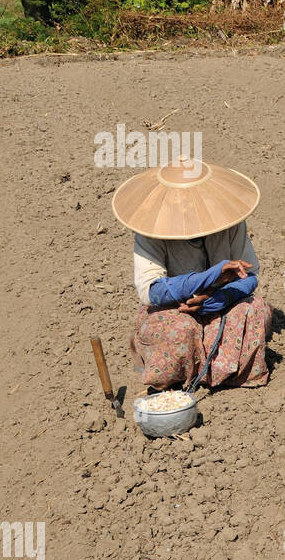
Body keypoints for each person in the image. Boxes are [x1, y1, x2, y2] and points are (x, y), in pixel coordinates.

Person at [113, 161, 273, 390]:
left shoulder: (230, 223)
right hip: (175, 308)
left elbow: (249, 275)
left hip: (221, 303)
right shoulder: (150, 232)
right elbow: (153, 292)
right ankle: (187, 371)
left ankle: (224, 372)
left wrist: (218, 300)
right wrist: (210, 276)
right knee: (179, 330)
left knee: (256, 309)